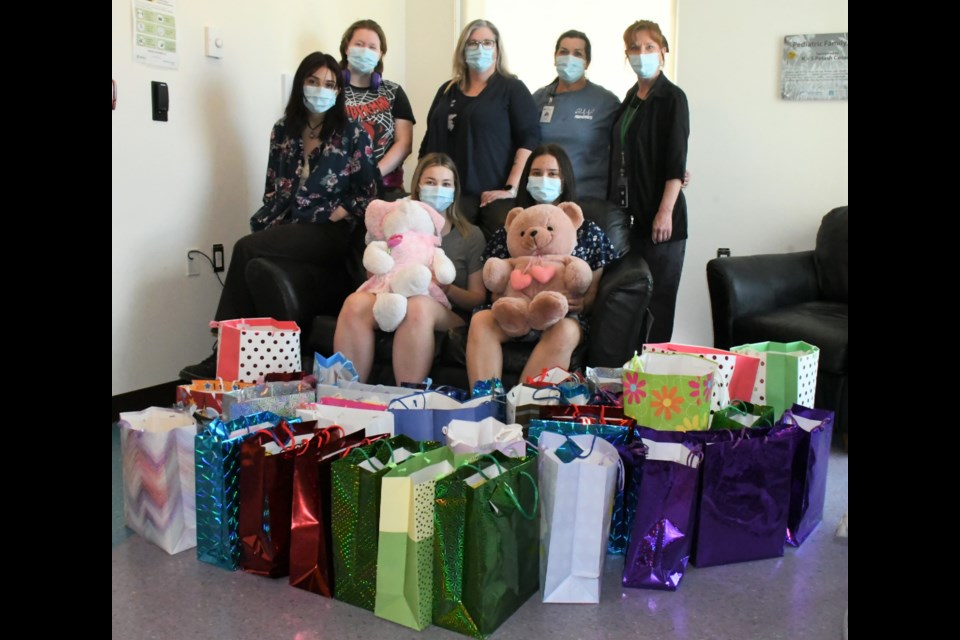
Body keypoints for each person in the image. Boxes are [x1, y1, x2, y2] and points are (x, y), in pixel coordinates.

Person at [179, 52, 380, 380]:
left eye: (330, 84)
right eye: (313, 81)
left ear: (339, 91)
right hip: (292, 226)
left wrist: (342, 210)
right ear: (301, 84)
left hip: (328, 230)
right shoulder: (283, 130)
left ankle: (221, 351)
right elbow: (273, 190)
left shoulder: (352, 132)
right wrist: (270, 225)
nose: (321, 89)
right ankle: (256, 365)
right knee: (255, 259)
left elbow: (370, 194)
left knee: (245, 248)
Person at [466, 143, 617, 391]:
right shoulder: (514, 226)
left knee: (566, 331)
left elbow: (595, 287)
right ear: (526, 178)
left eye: (552, 174)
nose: (543, 180)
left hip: (561, 315)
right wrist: (501, 294)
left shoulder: (587, 230)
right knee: (482, 320)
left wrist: (584, 302)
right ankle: (486, 403)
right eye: (536, 173)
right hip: (514, 311)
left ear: (565, 179)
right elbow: (494, 277)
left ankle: (523, 406)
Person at [333, 152, 487, 384]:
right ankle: (345, 393)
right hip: (390, 297)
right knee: (354, 302)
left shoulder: (470, 235)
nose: (438, 189)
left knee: (418, 306)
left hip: (444, 311)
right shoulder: (394, 222)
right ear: (418, 186)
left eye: (446, 184)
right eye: (430, 182)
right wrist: (383, 267)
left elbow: (477, 299)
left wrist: (446, 289)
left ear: (455, 190)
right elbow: (373, 273)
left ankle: (408, 397)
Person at [609, 20, 689, 343]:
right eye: (635, 47)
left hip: (662, 221)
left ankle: (656, 381)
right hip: (631, 219)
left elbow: (675, 160)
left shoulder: (672, 98)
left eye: (649, 47)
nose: (641, 54)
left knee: (659, 303)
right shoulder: (631, 98)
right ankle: (633, 375)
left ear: (663, 51)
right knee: (632, 303)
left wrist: (665, 210)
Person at [419, 19, 540, 209]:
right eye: (473, 43)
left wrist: (511, 188)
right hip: (441, 197)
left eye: (487, 43)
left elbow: (529, 140)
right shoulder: (446, 89)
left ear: (497, 49)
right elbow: (427, 143)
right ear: (463, 49)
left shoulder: (512, 89)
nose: (480, 48)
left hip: (488, 199)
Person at [531, 30, 621, 201]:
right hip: (544, 198)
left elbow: (630, 143)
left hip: (588, 198)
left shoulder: (606, 102)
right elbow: (523, 144)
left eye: (577, 54)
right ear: (555, 57)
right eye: (563, 52)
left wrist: (673, 170)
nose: (569, 58)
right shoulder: (538, 99)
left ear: (587, 62)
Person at [338, 19, 415, 197]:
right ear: (346, 48)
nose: (365, 50)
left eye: (372, 47)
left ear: (380, 54)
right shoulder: (331, 90)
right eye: (359, 44)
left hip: (385, 188)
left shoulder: (393, 92)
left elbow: (404, 144)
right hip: (338, 186)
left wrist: (371, 176)